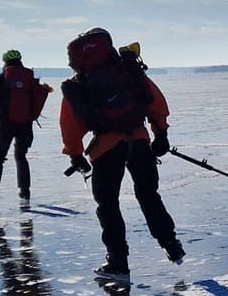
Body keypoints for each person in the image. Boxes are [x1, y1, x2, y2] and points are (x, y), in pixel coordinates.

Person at [59, 29, 185, 279]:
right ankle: (172, 246)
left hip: (106, 148)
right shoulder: (128, 71)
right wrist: (161, 133)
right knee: (149, 195)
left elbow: (70, 125)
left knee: (108, 205)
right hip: (139, 141)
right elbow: (155, 101)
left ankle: (118, 262)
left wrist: (75, 155)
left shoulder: (78, 84)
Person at [0, 49, 50, 204]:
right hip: (25, 124)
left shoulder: (2, 77)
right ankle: (25, 192)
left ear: (5, 61)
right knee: (21, 157)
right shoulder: (29, 77)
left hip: (6, 124)